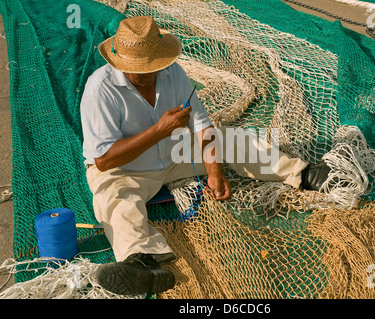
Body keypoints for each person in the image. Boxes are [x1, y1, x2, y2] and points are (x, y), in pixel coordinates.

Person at [80, 16, 331, 296]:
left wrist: (214, 172)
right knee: (114, 199)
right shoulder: (99, 88)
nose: (147, 73)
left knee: (233, 140)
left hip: (174, 152)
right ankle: (141, 262)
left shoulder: (172, 72)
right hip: (126, 169)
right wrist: (159, 130)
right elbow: (103, 159)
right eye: (139, 69)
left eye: (151, 66)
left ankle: (306, 174)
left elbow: (202, 126)